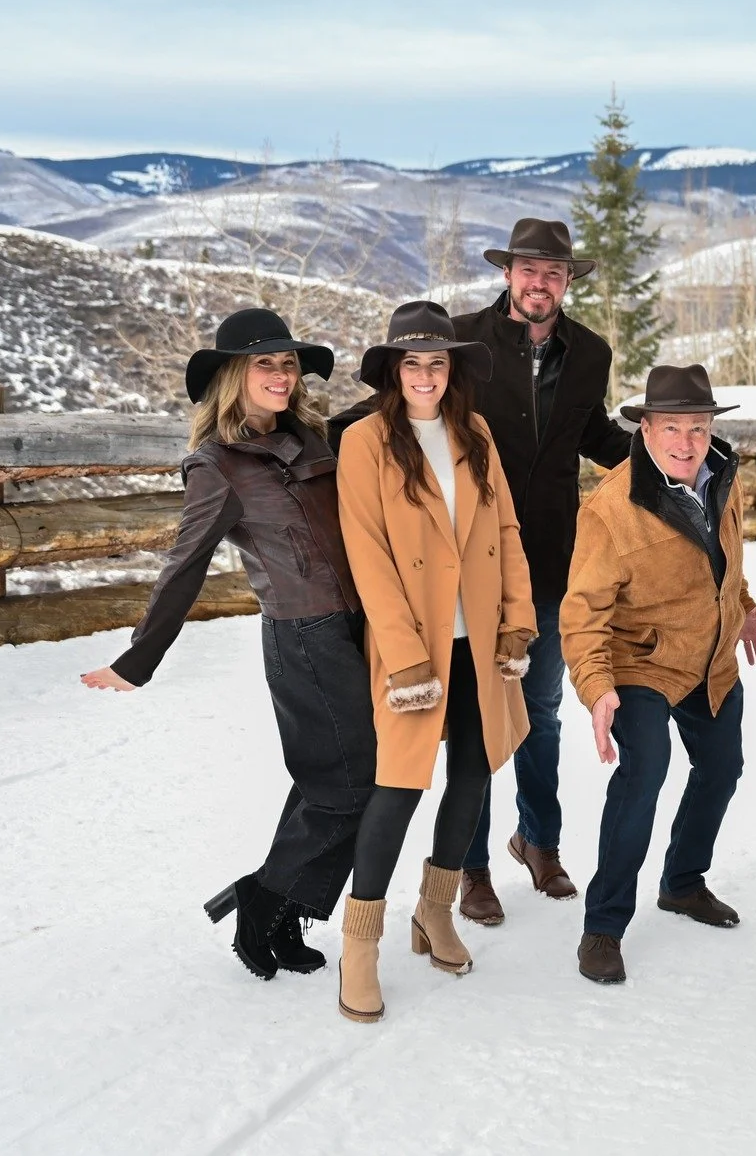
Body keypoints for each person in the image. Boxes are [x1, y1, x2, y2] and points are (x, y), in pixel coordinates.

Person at [81, 307, 371, 984]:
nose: (280, 373)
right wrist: (137, 660)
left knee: (330, 783)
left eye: (288, 362)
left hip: (358, 629)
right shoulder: (215, 465)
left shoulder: (316, 434)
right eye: (264, 362)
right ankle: (262, 896)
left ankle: (287, 908)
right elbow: (183, 565)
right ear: (233, 375)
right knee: (351, 786)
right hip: (304, 637)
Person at [330, 301, 538, 1023]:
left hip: (478, 635)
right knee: (400, 785)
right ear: (393, 370)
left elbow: (505, 529)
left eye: (438, 362)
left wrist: (518, 621)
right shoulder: (364, 442)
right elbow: (368, 554)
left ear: (453, 370)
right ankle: (360, 943)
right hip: (412, 643)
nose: (425, 375)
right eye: (412, 363)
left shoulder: (473, 431)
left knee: (475, 772)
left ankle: (435, 910)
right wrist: (405, 656)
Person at [560, 363, 756, 985]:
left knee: (721, 767)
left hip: (709, 655)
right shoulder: (610, 511)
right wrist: (598, 691)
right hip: (640, 661)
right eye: (673, 427)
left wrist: (742, 604)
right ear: (646, 429)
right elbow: (582, 614)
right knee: (645, 772)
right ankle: (602, 925)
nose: (687, 441)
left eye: (698, 426)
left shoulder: (722, 475)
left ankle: (683, 881)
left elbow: (722, 557)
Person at [451, 218, 633, 922]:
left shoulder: (590, 351)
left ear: (567, 281)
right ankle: (469, 865)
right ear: (508, 274)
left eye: (553, 273)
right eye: (529, 270)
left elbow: (596, 435)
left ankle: (539, 839)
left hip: (554, 561)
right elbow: (414, 412)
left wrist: (672, 456)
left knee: (542, 711)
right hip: (472, 559)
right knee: (474, 717)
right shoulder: (463, 342)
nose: (539, 283)